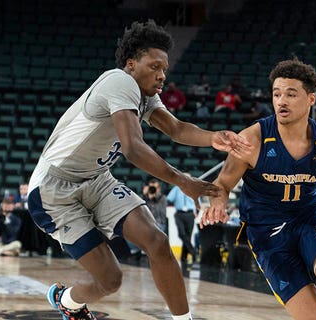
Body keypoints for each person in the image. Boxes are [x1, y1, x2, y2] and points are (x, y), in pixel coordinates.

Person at [27, 20, 251, 320]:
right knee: (110, 280)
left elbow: (175, 128)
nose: (161, 75)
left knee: (157, 241)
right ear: (131, 64)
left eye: (165, 69)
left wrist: (213, 137)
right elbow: (132, 147)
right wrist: (182, 180)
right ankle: (66, 299)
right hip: (55, 189)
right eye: (154, 66)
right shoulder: (119, 82)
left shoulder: (145, 95)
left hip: (96, 180)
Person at [199, 58, 316, 319]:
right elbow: (222, 184)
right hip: (266, 231)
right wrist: (217, 202)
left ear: (311, 99)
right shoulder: (252, 138)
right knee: (312, 315)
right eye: (276, 94)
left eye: (290, 94)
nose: (281, 101)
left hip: (310, 219)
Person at [167, 177, 198, 265]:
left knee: (188, 235)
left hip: (190, 214)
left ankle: (184, 257)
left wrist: (195, 211)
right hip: (180, 213)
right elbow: (169, 198)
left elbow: (197, 201)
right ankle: (193, 251)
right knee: (182, 233)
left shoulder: (193, 189)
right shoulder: (177, 188)